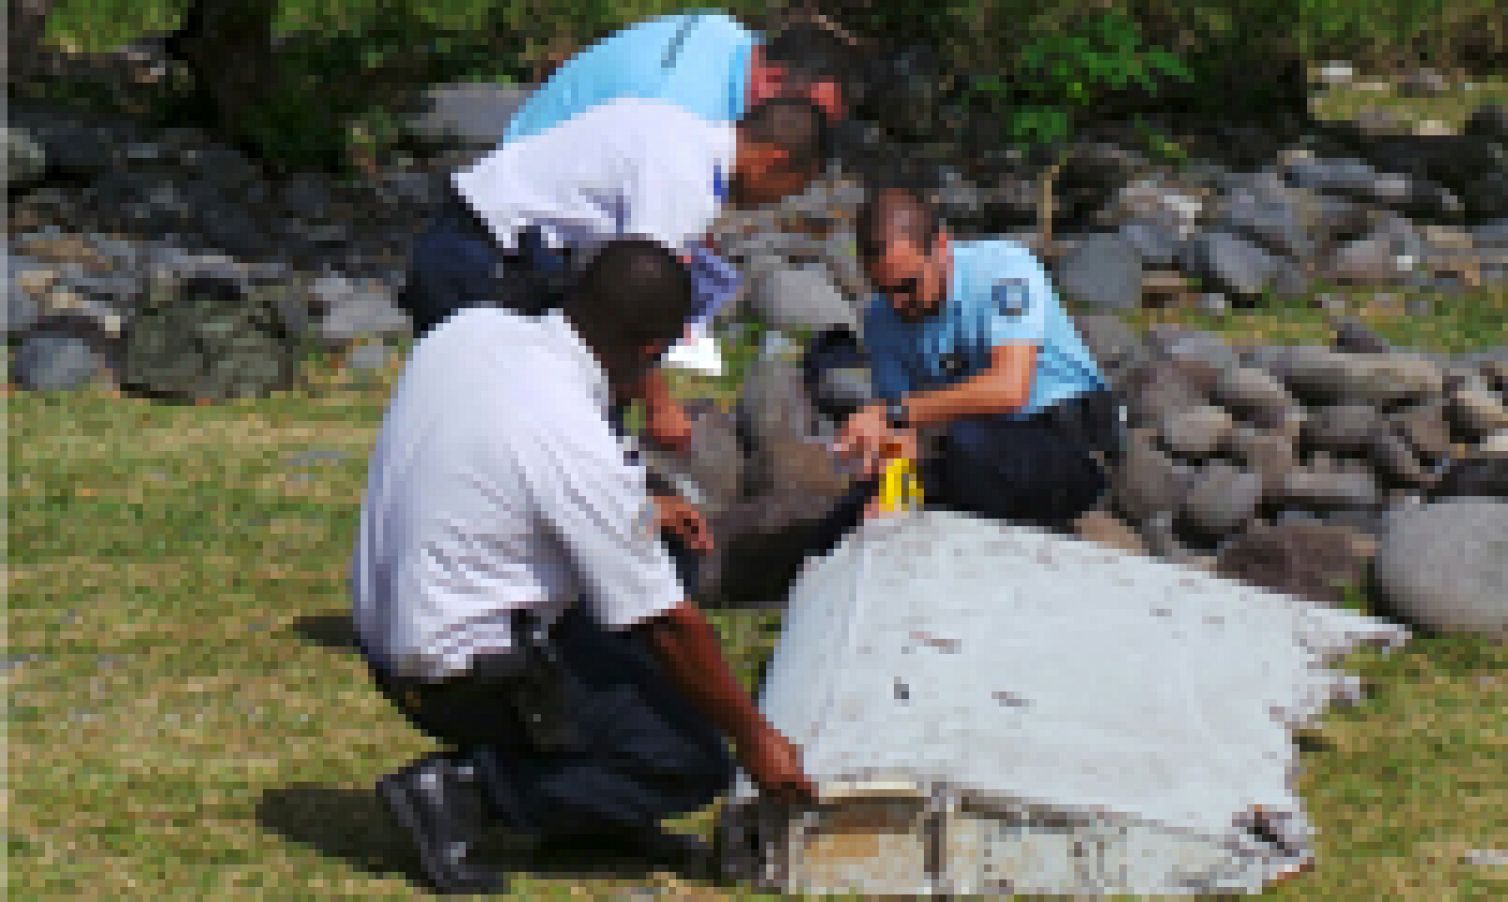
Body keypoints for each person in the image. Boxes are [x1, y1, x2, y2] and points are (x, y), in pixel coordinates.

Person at [353, 238, 815, 895]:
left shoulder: (472, 329)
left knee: (671, 556)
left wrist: (643, 507)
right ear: (651, 351)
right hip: (457, 669)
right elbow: (668, 626)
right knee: (686, 759)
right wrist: (753, 735)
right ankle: (465, 793)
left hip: (391, 620)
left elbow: (499, 468)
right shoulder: (571, 435)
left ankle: (592, 814)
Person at [396, 95, 829, 453]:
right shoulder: (688, 180)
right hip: (485, 257)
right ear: (774, 161)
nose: (775, 203)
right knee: (479, 424)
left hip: (480, 235)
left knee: (486, 413)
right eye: (790, 190)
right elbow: (633, 300)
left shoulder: (676, 124)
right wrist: (660, 406)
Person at [809, 182, 1123, 549]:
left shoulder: (1002, 270)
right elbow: (903, 434)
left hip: (1064, 444)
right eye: (884, 290)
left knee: (966, 448)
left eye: (909, 286)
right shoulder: (881, 319)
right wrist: (889, 489)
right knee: (845, 526)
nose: (897, 303)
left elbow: (1010, 388)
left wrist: (892, 413)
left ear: (942, 247)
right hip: (978, 450)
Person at [500, 10, 856, 143]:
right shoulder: (683, 113)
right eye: (813, 120)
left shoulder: (721, 30)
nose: (810, 140)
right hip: (520, 227)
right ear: (775, 79)